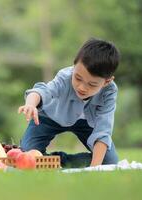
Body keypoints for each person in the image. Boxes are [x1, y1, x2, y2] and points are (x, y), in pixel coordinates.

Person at [18, 38, 120, 168]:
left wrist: (95, 169)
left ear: (107, 82)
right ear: (74, 66)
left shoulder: (109, 92)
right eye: (78, 78)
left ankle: (58, 161)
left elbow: (103, 131)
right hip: (50, 118)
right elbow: (43, 91)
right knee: (26, 154)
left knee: (109, 162)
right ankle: (46, 160)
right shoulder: (65, 76)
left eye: (92, 84)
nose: (82, 87)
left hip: (87, 124)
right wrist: (31, 104)